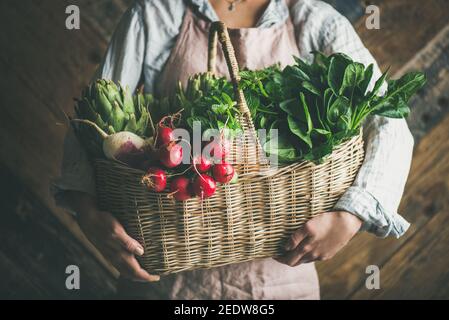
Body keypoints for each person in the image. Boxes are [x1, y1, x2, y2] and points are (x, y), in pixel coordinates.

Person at [53, 0, 414, 299]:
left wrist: (352, 215)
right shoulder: (155, 15)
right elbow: (89, 125)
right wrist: (87, 212)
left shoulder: (315, 21)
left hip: (280, 281)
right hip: (166, 281)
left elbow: (388, 121)